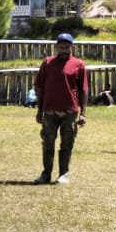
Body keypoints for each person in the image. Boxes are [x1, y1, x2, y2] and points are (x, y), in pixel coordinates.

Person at [33, 33, 88, 185]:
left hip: (70, 111)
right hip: (49, 111)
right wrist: (39, 110)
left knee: (67, 143)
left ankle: (63, 174)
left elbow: (83, 90)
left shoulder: (78, 64)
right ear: (57, 46)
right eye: (61, 47)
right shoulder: (47, 62)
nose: (64, 50)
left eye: (67, 47)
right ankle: (46, 174)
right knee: (48, 142)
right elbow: (40, 87)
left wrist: (83, 113)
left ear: (72, 47)